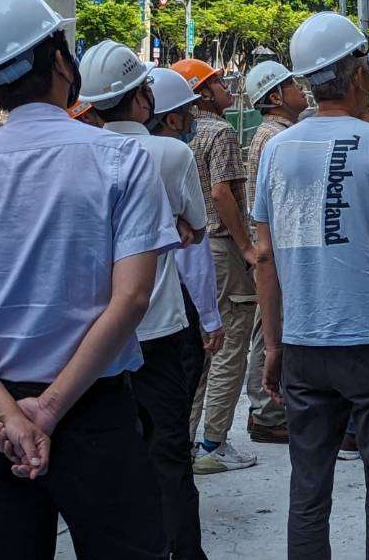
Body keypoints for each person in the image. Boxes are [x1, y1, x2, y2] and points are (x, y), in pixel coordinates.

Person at [0, 0, 172, 559]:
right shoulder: (120, 159)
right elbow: (131, 299)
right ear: (60, 60)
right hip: (95, 412)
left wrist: (12, 416)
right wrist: (50, 409)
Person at [250, 12, 369, 560]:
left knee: (309, 485)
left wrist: (275, 344)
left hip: (306, 342)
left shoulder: (277, 151)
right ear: (355, 74)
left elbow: (265, 256)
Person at [80, 44, 211, 560]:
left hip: (102, 332)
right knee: (170, 452)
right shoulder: (173, 154)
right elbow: (196, 229)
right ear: (142, 101)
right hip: (160, 326)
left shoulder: (80, 153)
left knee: (113, 452)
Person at [169, 57, 265, 467]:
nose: (227, 87)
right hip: (221, 247)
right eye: (219, 83)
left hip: (185, 251)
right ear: (202, 93)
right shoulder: (220, 131)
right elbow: (223, 193)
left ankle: (186, 438)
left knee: (201, 348)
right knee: (230, 345)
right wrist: (247, 247)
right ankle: (214, 443)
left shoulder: (169, 135)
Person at [145, 68, 229, 465]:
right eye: (188, 113)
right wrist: (210, 317)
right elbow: (193, 242)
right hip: (168, 308)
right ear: (172, 118)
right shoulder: (175, 155)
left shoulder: (103, 150)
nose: (194, 121)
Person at [231, 58, 308, 444]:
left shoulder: (277, 133)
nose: (301, 90)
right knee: (269, 327)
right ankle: (266, 411)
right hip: (276, 246)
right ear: (275, 95)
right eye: (293, 85)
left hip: (276, 244)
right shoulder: (274, 137)